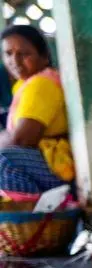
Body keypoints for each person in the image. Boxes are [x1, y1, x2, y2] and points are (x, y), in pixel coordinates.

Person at [1, 23, 72, 195]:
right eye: (8, 54)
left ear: (44, 57)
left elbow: (23, 140)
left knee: (5, 160)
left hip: (59, 165)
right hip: (47, 163)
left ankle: (36, 217)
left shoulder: (42, 84)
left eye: (24, 54)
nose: (15, 61)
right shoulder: (25, 84)